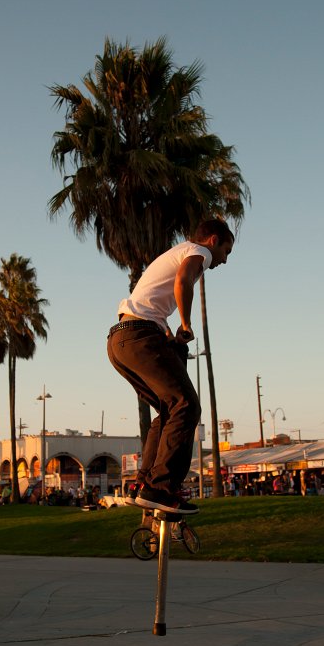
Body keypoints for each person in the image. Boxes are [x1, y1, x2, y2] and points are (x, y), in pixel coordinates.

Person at [107, 217, 234, 515]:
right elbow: (182, 281)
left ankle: (143, 484)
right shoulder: (198, 252)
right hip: (139, 337)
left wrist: (169, 333)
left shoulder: (174, 253)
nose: (225, 261)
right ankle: (162, 489)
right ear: (214, 241)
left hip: (120, 340)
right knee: (187, 405)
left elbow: (153, 304)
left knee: (168, 411)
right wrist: (186, 324)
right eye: (227, 252)